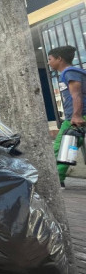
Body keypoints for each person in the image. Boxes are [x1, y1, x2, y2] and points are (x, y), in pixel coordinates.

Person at [48, 45, 86, 186]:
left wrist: (76, 116)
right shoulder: (69, 73)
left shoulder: (70, 72)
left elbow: (76, 95)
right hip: (77, 116)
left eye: (50, 59)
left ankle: (56, 181)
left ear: (59, 59)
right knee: (66, 147)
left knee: (62, 147)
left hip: (78, 117)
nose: (48, 62)